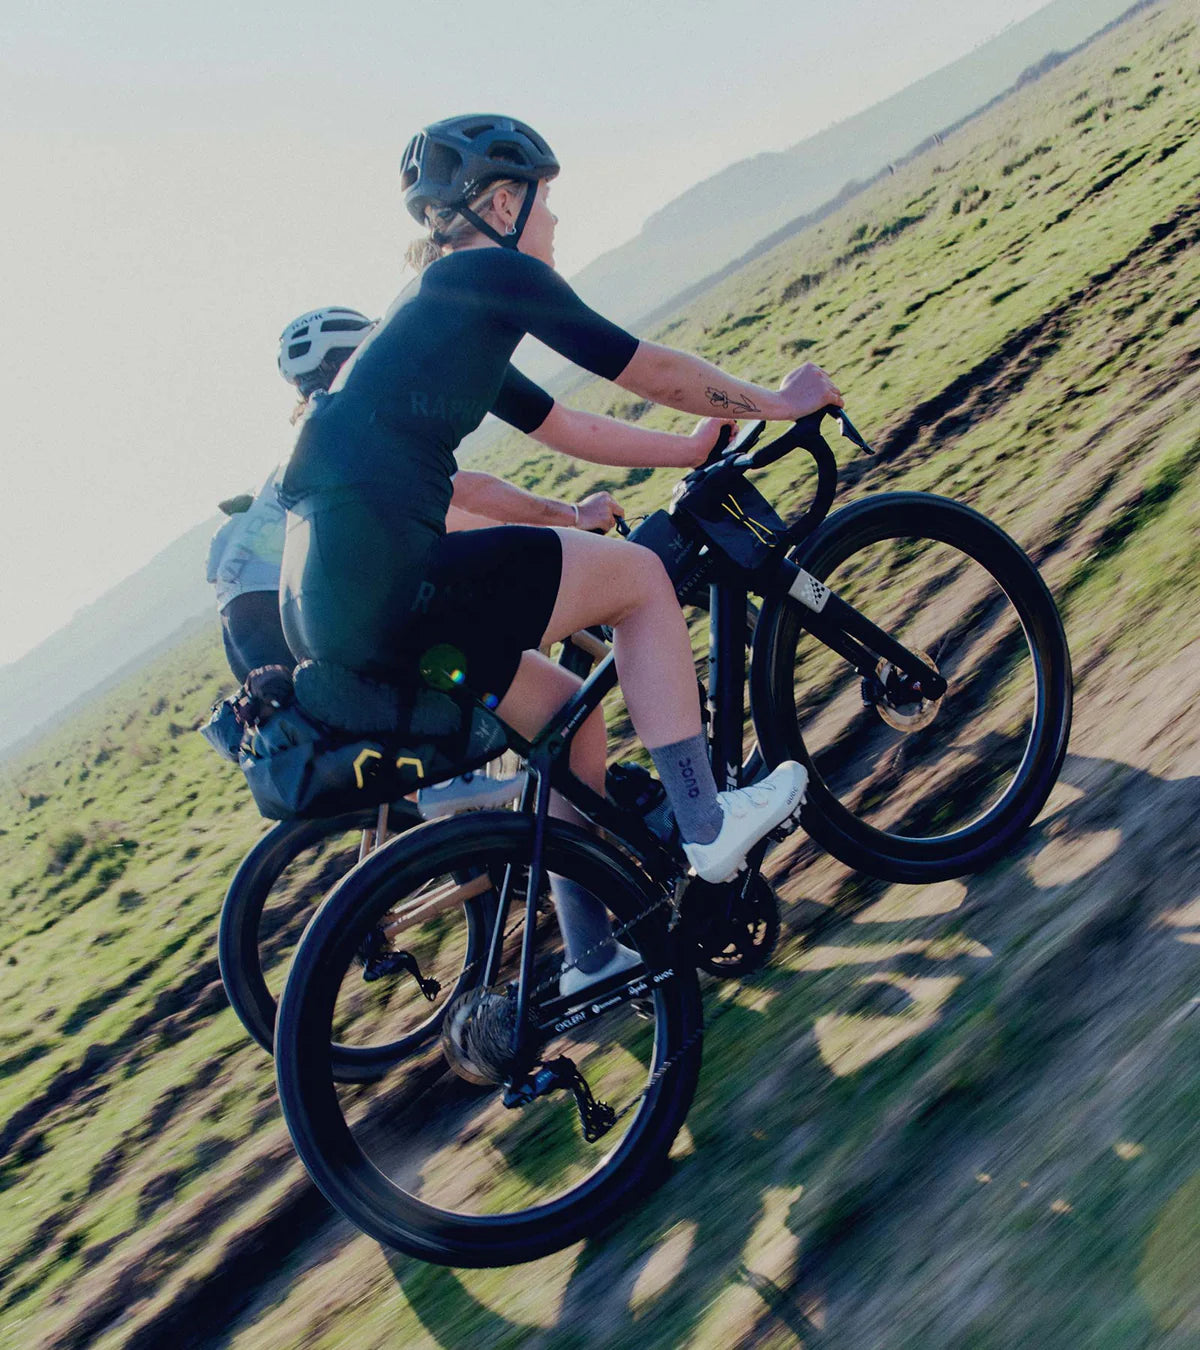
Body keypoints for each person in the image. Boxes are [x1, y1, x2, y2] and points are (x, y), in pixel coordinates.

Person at [279, 115, 842, 990]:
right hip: (393, 581)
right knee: (643, 582)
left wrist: (691, 450)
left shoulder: (440, 311)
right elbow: (641, 367)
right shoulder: (487, 274)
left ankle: (588, 959)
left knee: (567, 719)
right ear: (503, 203)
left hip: (331, 605)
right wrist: (779, 398)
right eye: (546, 204)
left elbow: (565, 424)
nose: (553, 224)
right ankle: (706, 825)